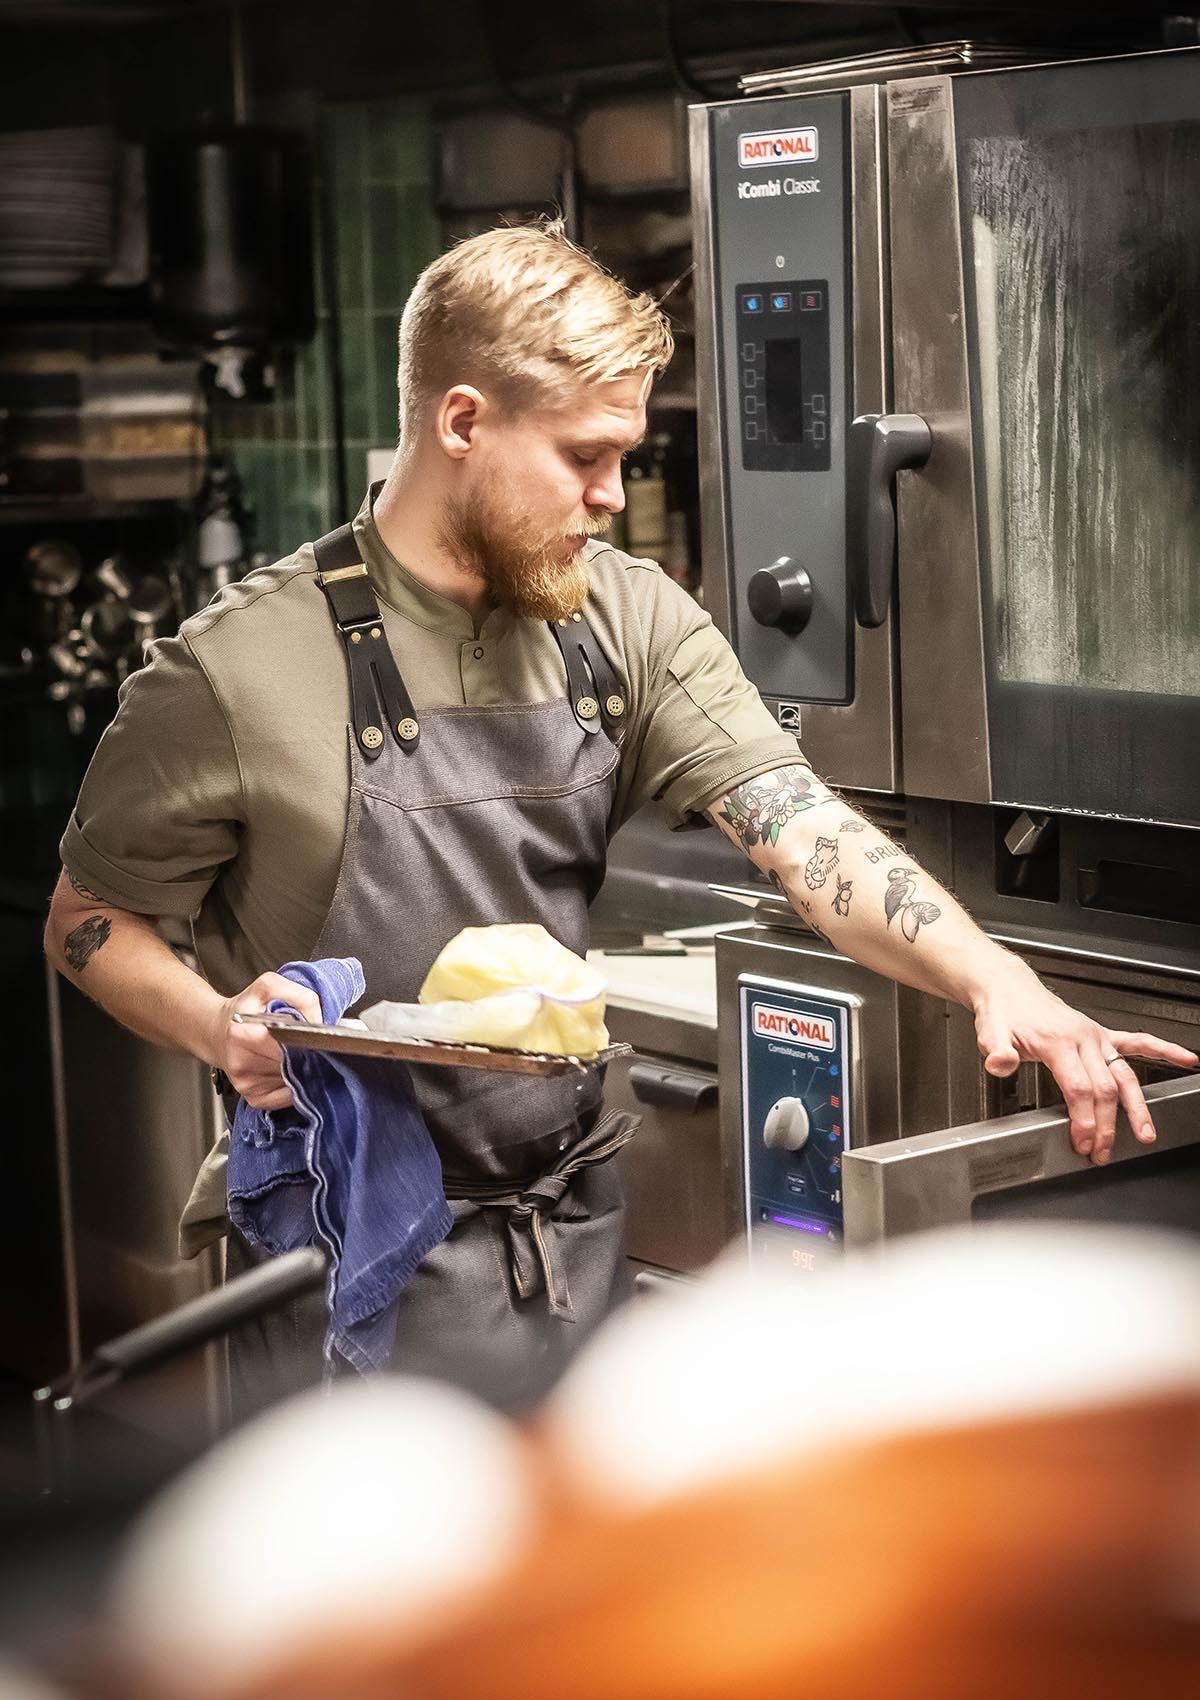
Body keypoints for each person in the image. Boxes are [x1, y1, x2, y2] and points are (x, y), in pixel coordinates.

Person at [43, 221, 1195, 1406]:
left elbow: (799, 825)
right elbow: (87, 916)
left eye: (625, 460)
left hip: (569, 1226)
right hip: (344, 1246)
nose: (611, 498)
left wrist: (995, 976)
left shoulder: (625, 620)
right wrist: (215, 1024)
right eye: (587, 457)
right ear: (462, 422)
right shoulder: (235, 668)